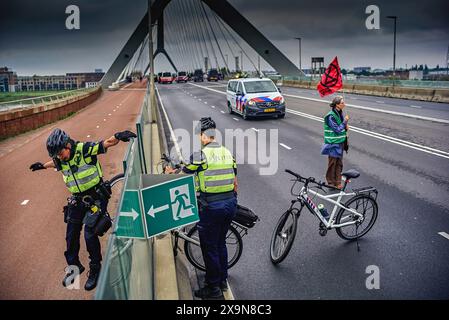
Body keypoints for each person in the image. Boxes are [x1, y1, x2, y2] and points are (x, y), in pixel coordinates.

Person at [29, 128, 136, 290]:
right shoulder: (60, 159)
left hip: (96, 197)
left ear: (68, 146)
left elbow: (105, 143)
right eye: (56, 155)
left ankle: (96, 269)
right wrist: (42, 166)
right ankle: (75, 267)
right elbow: (55, 164)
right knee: (71, 236)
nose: (59, 157)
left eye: (60, 153)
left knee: (89, 233)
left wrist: (118, 136)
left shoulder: (84, 150)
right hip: (77, 200)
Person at [165, 117, 238, 300]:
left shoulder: (200, 155)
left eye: (199, 135)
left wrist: (169, 173)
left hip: (212, 207)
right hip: (230, 204)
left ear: (204, 135)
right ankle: (222, 279)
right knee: (220, 243)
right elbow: (235, 182)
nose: (199, 138)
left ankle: (213, 288)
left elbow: (183, 175)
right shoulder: (228, 153)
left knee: (209, 247)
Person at [321, 95, 349, 189]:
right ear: (337, 105)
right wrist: (344, 122)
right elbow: (337, 129)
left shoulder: (340, 113)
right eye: (342, 103)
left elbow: (341, 127)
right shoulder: (330, 116)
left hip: (340, 142)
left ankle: (338, 182)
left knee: (339, 163)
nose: (344, 104)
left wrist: (345, 127)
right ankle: (330, 182)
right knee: (332, 163)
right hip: (333, 142)